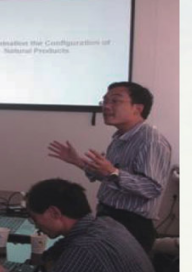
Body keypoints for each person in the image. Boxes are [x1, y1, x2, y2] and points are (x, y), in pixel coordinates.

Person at [48, 82, 172, 252]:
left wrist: (113, 172)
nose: (106, 106)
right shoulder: (120, 138)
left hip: (131, 224)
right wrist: (78, 161)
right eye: (104, 101)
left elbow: (152, 188)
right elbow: (109, 177)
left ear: (137, 108)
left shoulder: (151, 141)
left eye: (115, 101)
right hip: (109, 217)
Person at [0, 179, 161, 272]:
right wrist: (47, 257)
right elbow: (66, 245)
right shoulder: (105, 223)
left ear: (54, 213)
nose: (36, 225)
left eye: (35, 218)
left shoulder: (87, 249)